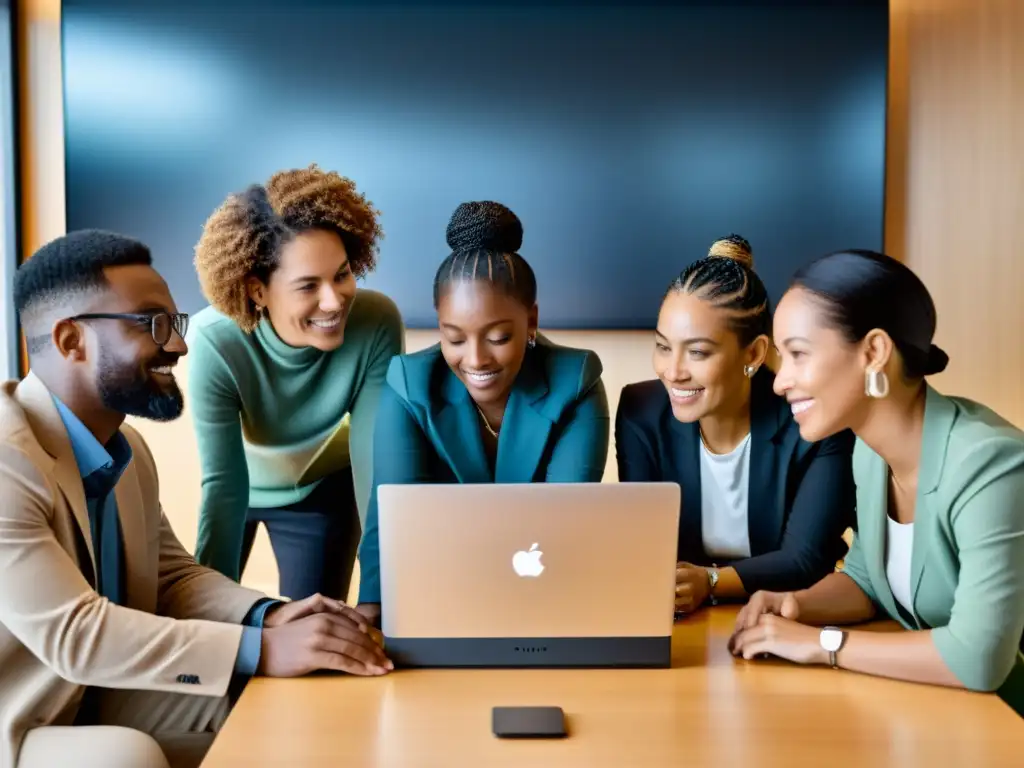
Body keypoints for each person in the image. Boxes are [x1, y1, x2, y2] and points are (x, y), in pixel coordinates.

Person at [0, 230, 392, 768]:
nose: (179, 346)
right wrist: (263, 650)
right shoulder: (5, 457)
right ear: (71, 341)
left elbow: (173, 579)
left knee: (290, 706)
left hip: (105, 689)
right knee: (124, 755)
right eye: (153, 325)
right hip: (23, 717)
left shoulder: (127, 448)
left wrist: (272, 617)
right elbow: (75, 633)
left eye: (176, 324)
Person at [730, 249, 1024, 713]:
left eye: (798, 354)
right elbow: (869, 581)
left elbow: (980, 657)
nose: (779, 381)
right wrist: (794, 605)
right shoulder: (869, 452)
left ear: (874, 352)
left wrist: (822, 644)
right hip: (944, 716)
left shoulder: (990, 466)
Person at [354, 201, 610, 622]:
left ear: (531, 322)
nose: (475, 360)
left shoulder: (576, 381)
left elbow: (567, 524)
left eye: (498, 336)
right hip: (439, 591)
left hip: (543, 595)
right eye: (454, 339)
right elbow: (392, 517)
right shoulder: (408, 382)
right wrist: (372, 610)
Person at [188, 164, 404, 601]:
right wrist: (209, 618)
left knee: (316, 628)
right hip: (239, 486)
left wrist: (382, 598)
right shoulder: (215, 341)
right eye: (308, 286)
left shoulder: (376, 322)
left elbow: (373, 467)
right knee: (217, 612)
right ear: (257, 291)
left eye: (342, 274)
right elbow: (224, 488)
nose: (334, 300)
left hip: (320, 489)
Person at [615, 236, 855, 615]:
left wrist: (710, 582)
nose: (673, 372)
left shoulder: (814, 423)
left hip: (783, 615)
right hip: (682, 620)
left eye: (697, 352)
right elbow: (644, 543)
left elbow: (805, 559)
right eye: (663, 346)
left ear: (754, 353)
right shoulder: (640, 412)